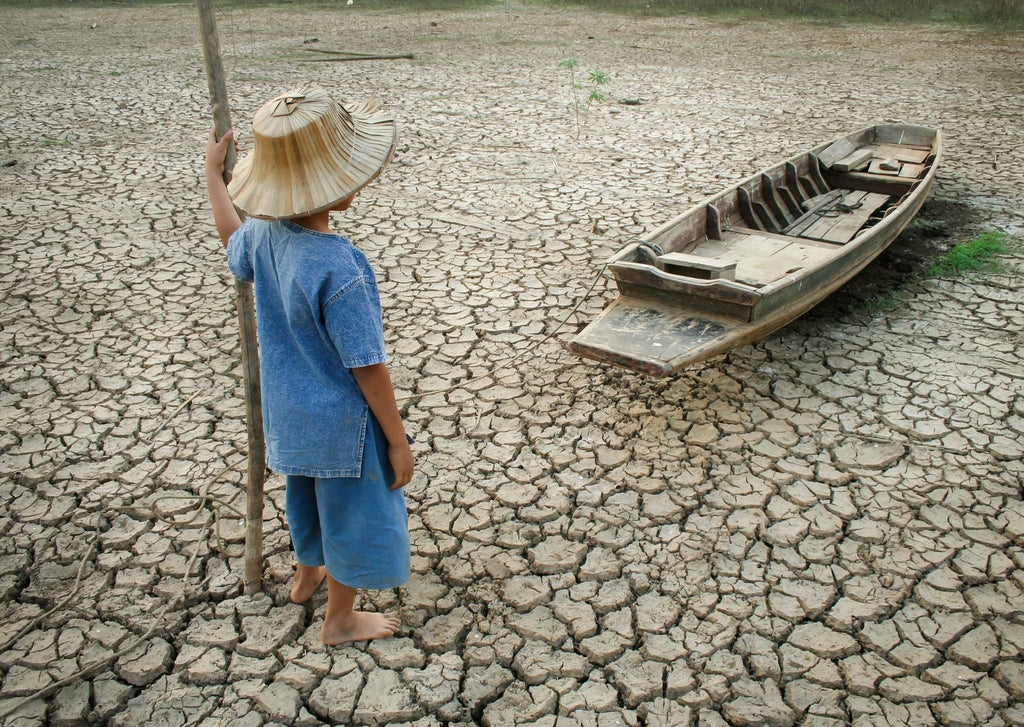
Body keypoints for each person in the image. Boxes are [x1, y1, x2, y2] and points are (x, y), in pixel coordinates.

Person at [204, 86, 413, 645]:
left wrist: (213, 179)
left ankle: (305, 576)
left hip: (288, 416)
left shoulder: (265, 237)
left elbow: (232, 238)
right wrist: (396, 438)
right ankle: (340, 619)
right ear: (343, 190)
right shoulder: (339, 265)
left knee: (306, 499)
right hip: (342, 426)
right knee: (350, 515)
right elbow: (367, 365)